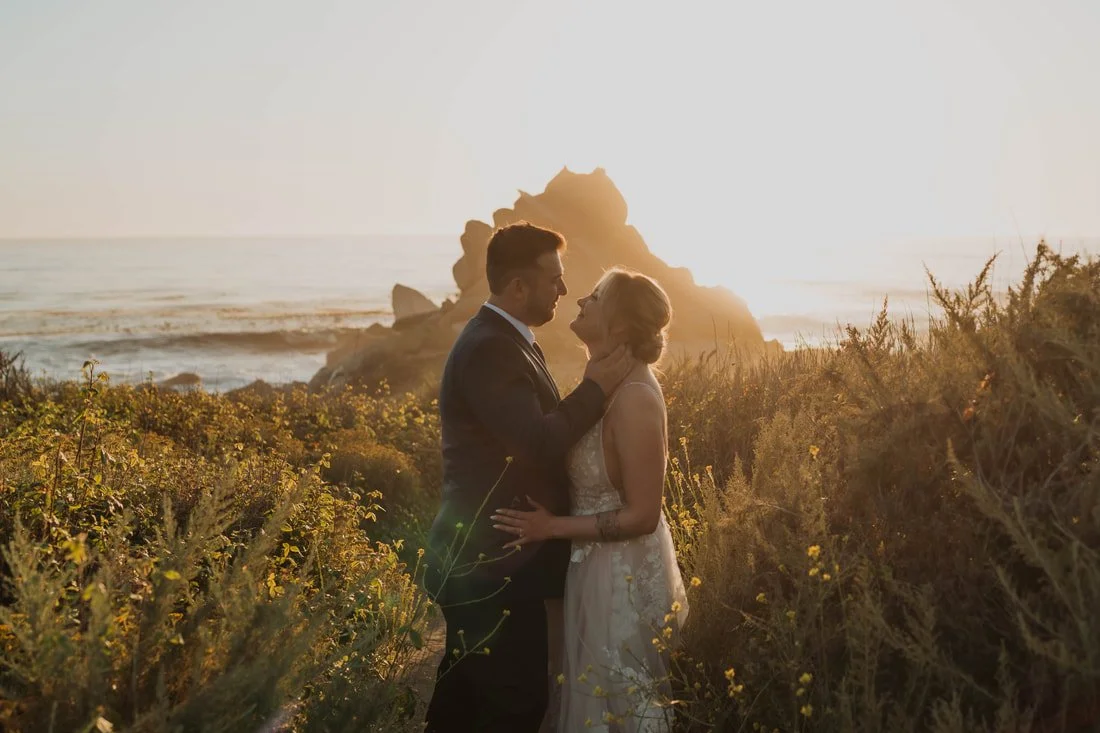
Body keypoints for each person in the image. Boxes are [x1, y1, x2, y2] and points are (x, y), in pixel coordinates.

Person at [423, 222, 633, 732]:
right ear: (518, 286)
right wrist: (594, 388)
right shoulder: (491, 347)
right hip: (491, 562)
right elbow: (535, 441)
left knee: (465, 703)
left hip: (490, 558)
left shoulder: (508, 339)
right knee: (512, 705)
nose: (563, 289)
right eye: (554, 278)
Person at [491, 268, 689, 732]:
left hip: (619, 575)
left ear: (619, 326)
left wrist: (550, 527)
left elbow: (643, 515)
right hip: (591, 567)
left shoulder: (637, 396)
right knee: (587, 700)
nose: (580, 298)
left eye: (596, 297)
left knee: (619, 700)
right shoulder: (605, 386)